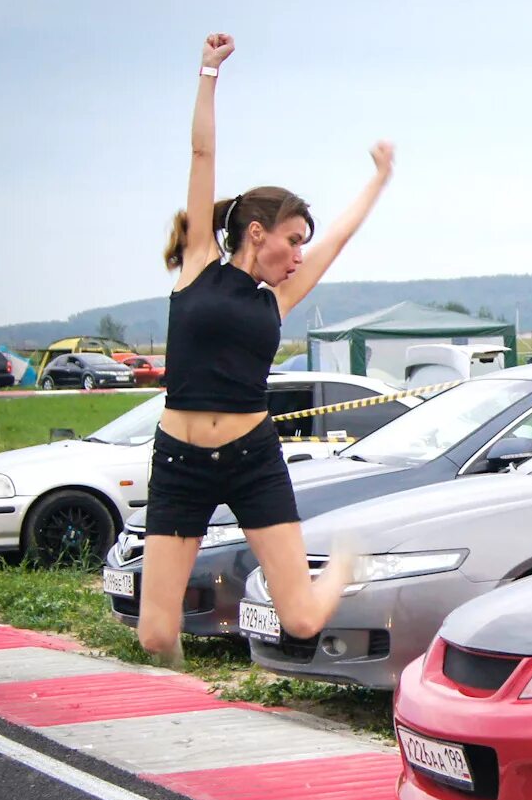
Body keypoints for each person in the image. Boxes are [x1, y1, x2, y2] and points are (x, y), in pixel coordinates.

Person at [138, 33, 395, 665]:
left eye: (304, 243)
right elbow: (202, 152)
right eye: (293, 239)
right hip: (181, 463)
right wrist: (208, 71)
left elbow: (339, 238)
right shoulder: (198, 262)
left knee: (303, 618)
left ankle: (340, 566)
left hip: (252, 457)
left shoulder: (276, 298)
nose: (300, 254)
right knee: (155, 635)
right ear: (258, 233)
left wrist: (380, 177)